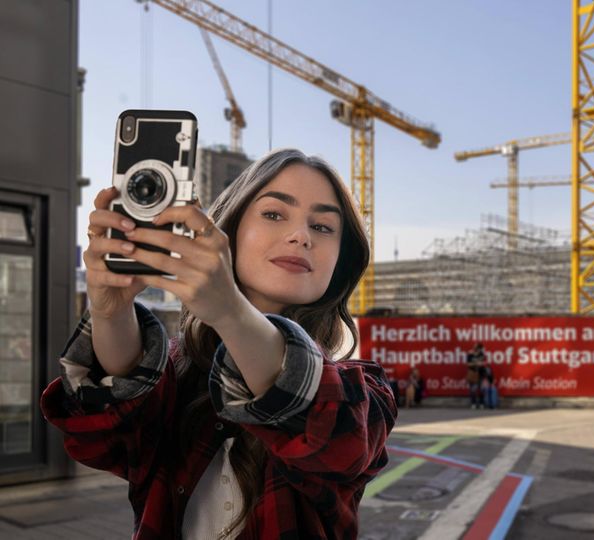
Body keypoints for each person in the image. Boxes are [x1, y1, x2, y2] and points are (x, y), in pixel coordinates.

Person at [41, 149, 398, 539]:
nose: (301, 236)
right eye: (274, 214)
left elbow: (338, 441)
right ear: (229, 230)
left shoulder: (362, 392)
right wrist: (111, 311)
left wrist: (229, 309)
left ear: (341, 261)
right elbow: (105, 437)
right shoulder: (176, 372)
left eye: (324, 227)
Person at [466, 343, 485, 409]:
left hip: (480, 374)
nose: (475, 349)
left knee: (481, 389)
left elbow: (483, 364)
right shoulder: (470, 354)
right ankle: (473, 404)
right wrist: (476, 363)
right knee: (473, 390)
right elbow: (468, 364)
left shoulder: (482, 354)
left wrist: (478, 364)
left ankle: (481, 404)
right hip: (473, 373)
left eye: (476, 347)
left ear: (480, 348)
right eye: (474, 347)